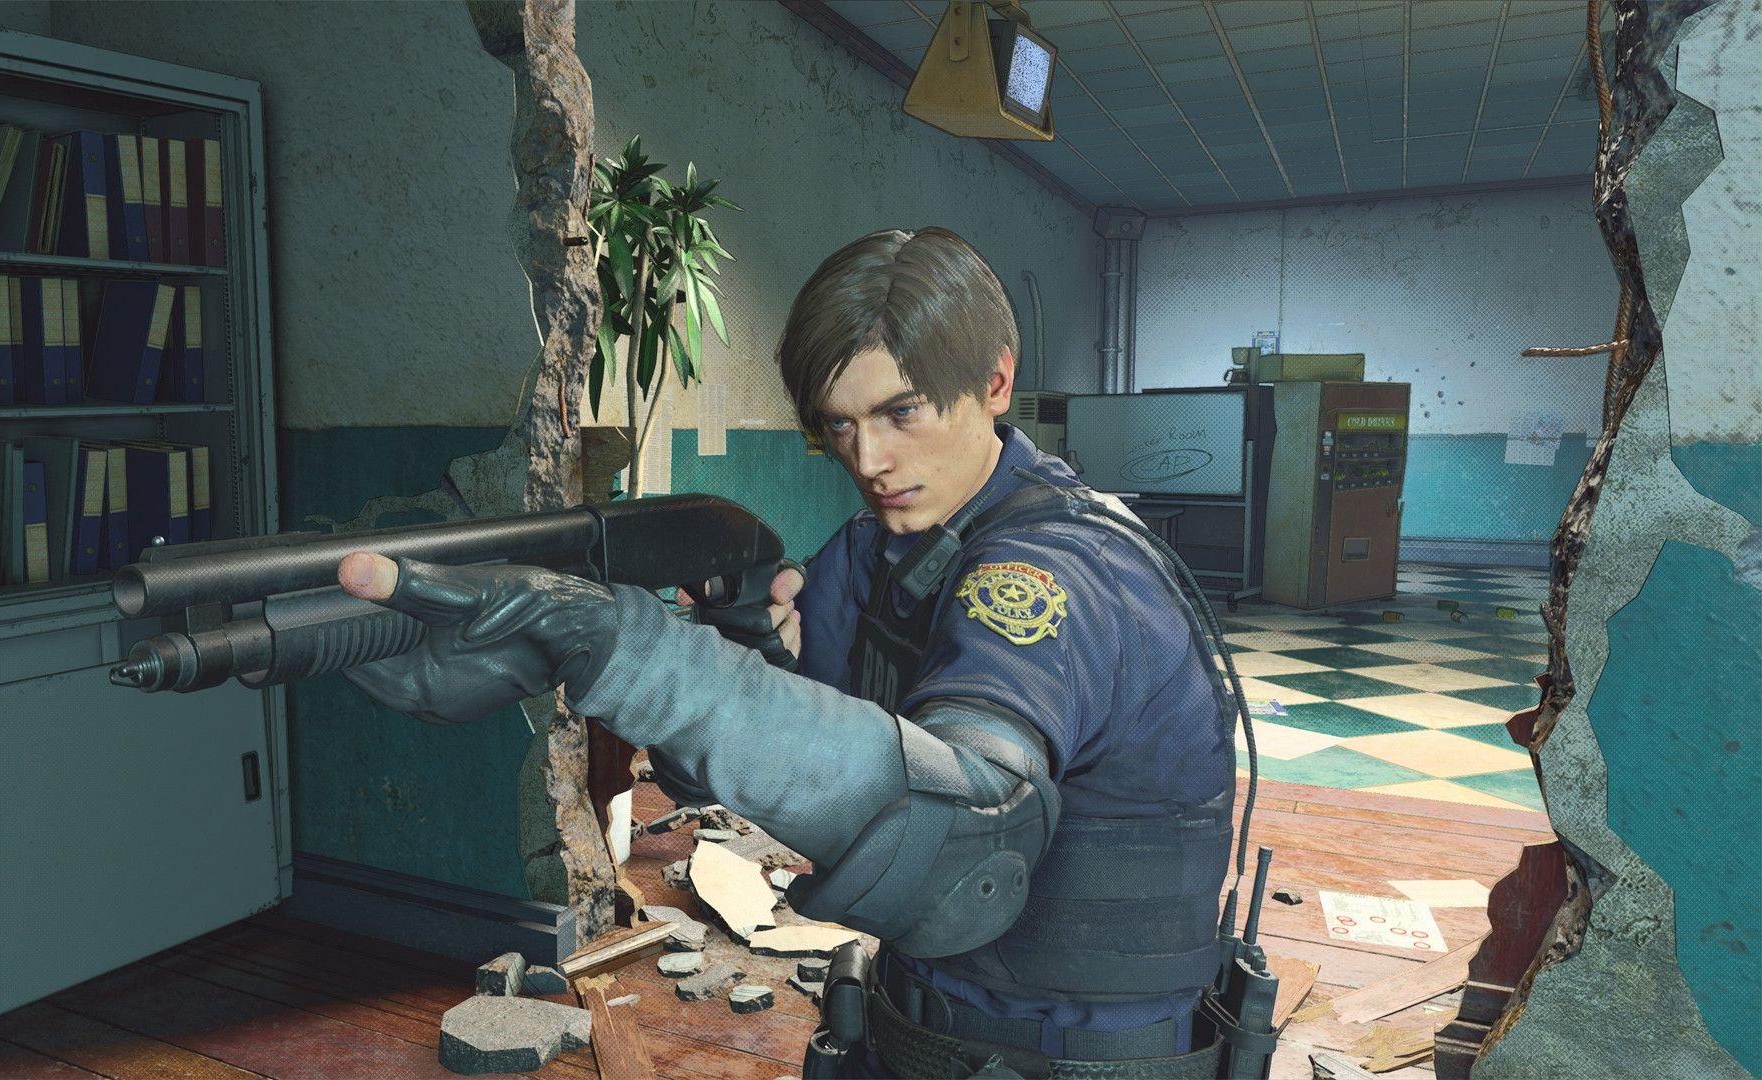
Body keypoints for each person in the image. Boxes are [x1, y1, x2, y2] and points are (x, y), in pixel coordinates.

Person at [336, 227, 1237, 1079]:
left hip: (1079, 1052)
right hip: (921, 1024)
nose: (869, 458)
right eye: (838, 425)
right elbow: (749, 775)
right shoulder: (883, 552)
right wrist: (715, 649)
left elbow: (964, 847)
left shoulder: (1053, 571)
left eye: (901, 411)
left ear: (996, 381)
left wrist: (631, 650)